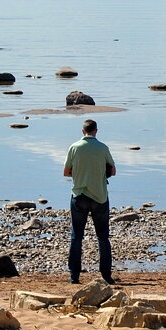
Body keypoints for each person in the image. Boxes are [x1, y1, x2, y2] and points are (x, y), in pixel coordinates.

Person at [63, 118, 116, 284]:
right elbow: (113, 171)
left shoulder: (74, 147)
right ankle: (106, 275)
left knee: (76, 236)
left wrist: (80, 174)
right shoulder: (103, 148)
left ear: (82, 131)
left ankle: (74, 276)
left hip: (79, 195)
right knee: (102, 237)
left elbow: (66, 172)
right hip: (100, 196)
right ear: (96, 131)